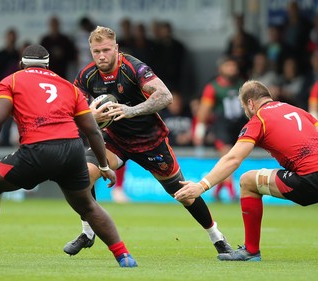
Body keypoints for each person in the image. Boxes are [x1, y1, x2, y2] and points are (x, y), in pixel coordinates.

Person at [0, 44, 137, 268]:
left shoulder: (12, 80)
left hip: (37, 150)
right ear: (48, 66)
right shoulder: (68, 86)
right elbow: (93, 130)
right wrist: (104, 166)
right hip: (72, 151)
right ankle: (124, 256)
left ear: (21, 64)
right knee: (87, 206)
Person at [63, 26, 232, 257]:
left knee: (183, 194)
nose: (101, 56)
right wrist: (92, 116)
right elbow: (73, 110)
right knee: (83, 175)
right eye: (96, 51)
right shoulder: (86, 75)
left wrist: (130, 111)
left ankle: (217, 237)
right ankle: (87, 232)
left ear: (116, 48)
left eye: (106, 50)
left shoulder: (135, 68)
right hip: (114, 141)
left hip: (150, 141)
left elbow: (165, 96)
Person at [175, 80, 318, 261]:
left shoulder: (259, 119)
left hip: (308, 179)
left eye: (244, 107)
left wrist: (201, 186)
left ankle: (251, 251)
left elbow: (233, 159)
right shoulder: (298, 111)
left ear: (250, 103)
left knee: (248, 181)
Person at [193, 56, 246, 202]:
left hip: (240, 125)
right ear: (220, 69)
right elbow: (204, 110)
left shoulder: (242, 84)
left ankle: (217, 192)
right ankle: (231, 193)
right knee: (228, 157)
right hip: (221, 127)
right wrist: (200, 130)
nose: (232, 69)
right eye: (228, 66)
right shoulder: (212, 87)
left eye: (233, 65)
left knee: (229, 159)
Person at [0, 27, 21, 147]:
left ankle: (14, 141)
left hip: (17, 91)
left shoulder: (18, 55)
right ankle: (3, 142)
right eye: (10, 37)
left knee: (15, 117)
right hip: (3, 91)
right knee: (0, 116)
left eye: (13, 38)